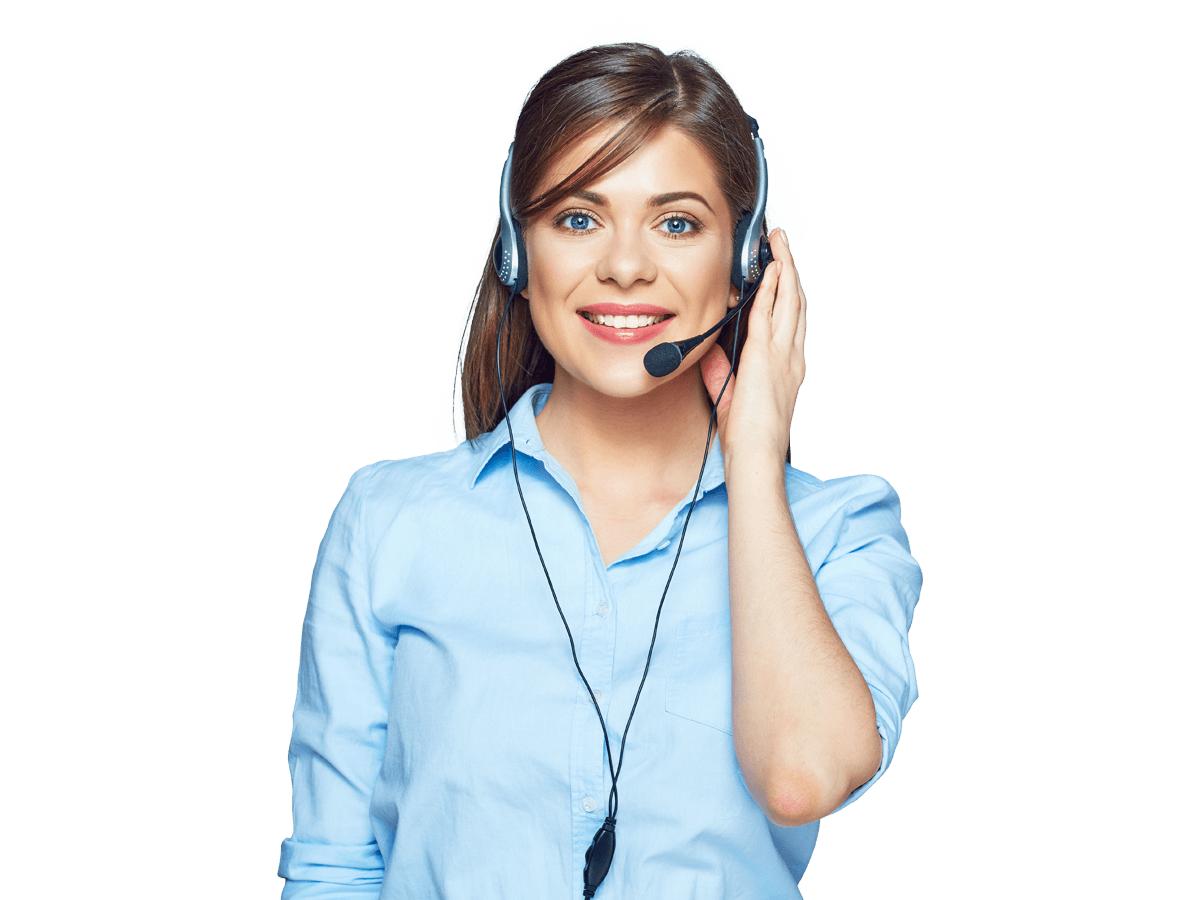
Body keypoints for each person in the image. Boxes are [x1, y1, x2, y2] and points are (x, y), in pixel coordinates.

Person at [279, 25, 921, 900]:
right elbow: (332, 866)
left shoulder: (841, 530)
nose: (624, 266)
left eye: (677, 223)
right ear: (517, 250)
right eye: (578, 218)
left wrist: (757, 464)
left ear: (745, 265)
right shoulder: (390, 520)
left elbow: (801, 778)